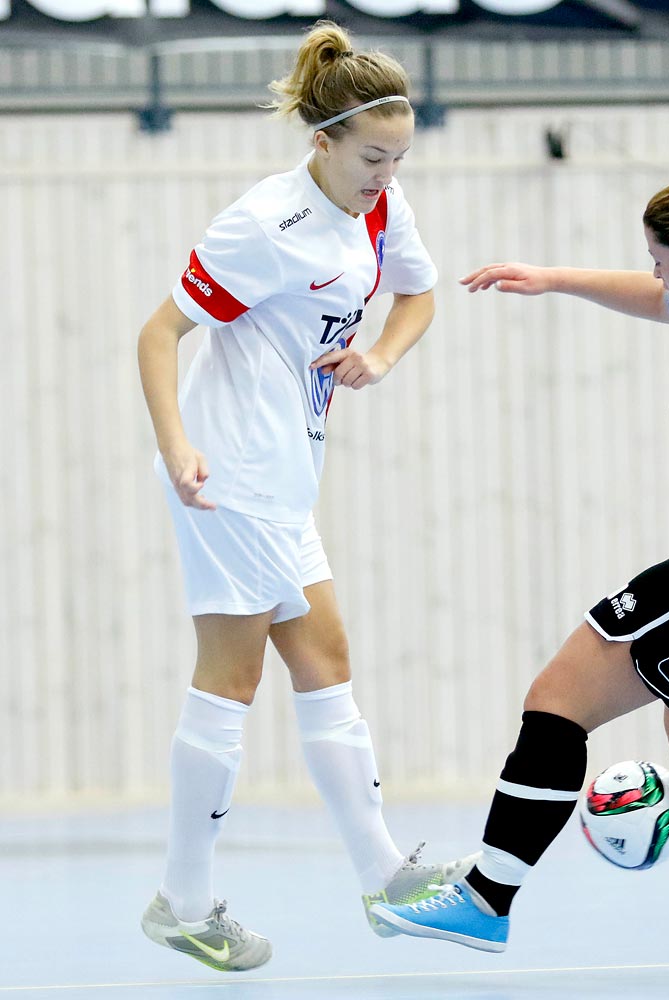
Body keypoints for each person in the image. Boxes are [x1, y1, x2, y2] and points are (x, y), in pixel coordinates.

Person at [372, 176, 669, 972]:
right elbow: (665, 304)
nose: (654, 276)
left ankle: (486, 900)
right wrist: (554, 279)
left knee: (556, 700)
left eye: (660, 261)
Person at [136, 21, 474, 972]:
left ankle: (382, 873)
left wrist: (378, 356)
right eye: (373, 156)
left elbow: (418, 297)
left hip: (288, 474)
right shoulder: (263, 227)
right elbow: (157, 335)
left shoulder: (377, 207)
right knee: (232, 682)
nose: (387, 174)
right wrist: (178, 450)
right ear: (321, 141)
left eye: (400, 157)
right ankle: (185, 901)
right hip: (230, 474)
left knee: (326, 659)